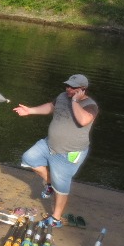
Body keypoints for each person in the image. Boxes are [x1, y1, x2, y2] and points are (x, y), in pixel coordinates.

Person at [13, 74, 98, 228]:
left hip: (69, 153)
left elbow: (83, 120)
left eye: (73, 87)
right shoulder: (62, 96)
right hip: (49, 144)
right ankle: (50, 183)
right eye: (67, 86)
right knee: (29, 158)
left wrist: (75, 101)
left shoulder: (90, 105)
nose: (68, 89)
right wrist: (30, 110)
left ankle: (56, 218)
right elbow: (51, 107)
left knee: (62, 186)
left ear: (83, 89)